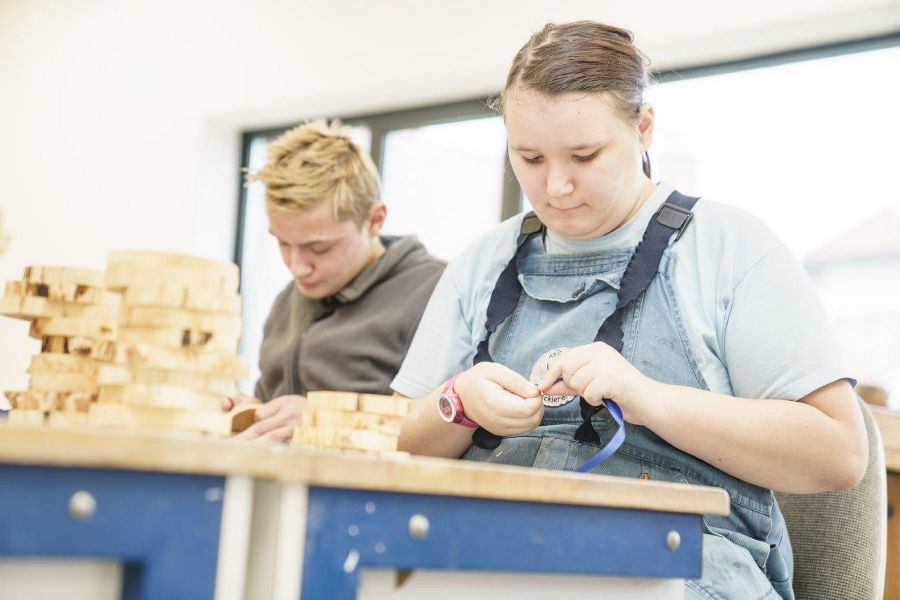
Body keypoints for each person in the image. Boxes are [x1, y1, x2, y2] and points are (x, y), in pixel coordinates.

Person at [391, 21, 867, 599]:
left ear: (643, 127)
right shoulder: (481, 263)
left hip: (678, 565)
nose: (556, 185)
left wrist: (650, 398)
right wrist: (457, 405)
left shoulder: (729, 247)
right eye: (530, 157)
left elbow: (838, 454)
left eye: (584, 155)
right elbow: (390, 447)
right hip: (489, 555)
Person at [228, 120, 444, 442]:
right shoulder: (288, 301)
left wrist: (324, 421)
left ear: (375, 220)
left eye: (319, 248)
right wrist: (250, 413)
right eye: (283, 243)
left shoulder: (438, 293)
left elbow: (450, 424)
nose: (298, 267)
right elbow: (275, 406)